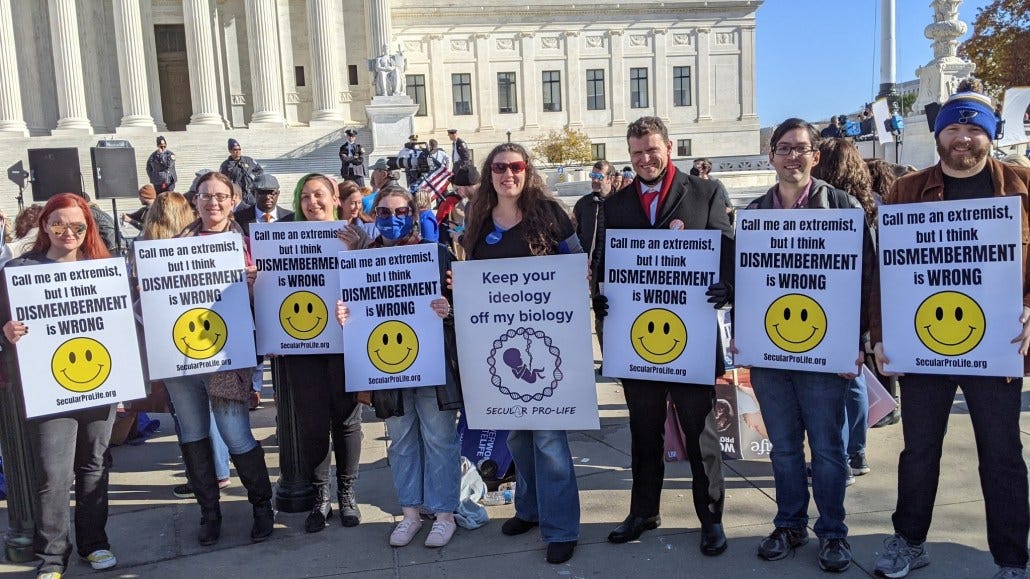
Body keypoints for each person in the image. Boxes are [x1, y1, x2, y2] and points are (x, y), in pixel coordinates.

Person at [871, 90, 1030, 579]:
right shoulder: (907, 189)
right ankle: (910, 540)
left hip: (997, 344)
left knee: (1001, 453)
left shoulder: (1022, 186)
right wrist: (880, 334)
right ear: (939, 135)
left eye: (975, 129)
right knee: (919, 450)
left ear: (991, 134)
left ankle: (1011, 558)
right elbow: (885, 270)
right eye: (954, 129)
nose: (964, 139)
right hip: (924, 346)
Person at [738, 121, 875, 573]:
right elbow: (748, 282)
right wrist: (741, 332)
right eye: (784, 149)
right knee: (783, 449)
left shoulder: (842, 207)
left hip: (825, 356)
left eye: (801, 149)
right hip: (770, 354)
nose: (792, 157)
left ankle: (834, 533)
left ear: (815, 156)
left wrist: (857, 343)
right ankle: (790, 524)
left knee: (829, 449)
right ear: (771, 156)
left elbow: (865, 280)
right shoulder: (755, 213)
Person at [594, 116, 733, 557]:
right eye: (636, 153)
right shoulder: (615, 205)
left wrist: (727, 286)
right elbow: (604, 264)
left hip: (690, 339)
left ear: (669, 148)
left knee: (700, 433)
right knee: (644, 431)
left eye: (652, 149)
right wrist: (602, 296)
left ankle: (711, 519)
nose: (645, 158)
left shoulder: (706, 192)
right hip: (637, 341)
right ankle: (643, 512)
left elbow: (727, 248)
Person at [460, 143, 583, 564]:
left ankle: (562, 527)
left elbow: (576, 262)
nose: (507, 174)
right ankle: (529, 510)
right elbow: (473, 278)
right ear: (489, 173)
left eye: (515, 166)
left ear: (526, 171)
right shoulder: (477, 220)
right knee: (517, 437)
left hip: (547, 347)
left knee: (548, 439)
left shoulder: (548, 214)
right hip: (500, 348)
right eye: (499, 167)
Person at [337, 185, 463, 549]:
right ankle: (410, 512)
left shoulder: (436, 254)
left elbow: (463, 304)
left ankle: (443, 514)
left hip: (432, 364)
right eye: (385, 213)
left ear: (413, 214)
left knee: (439, 439)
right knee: (402, 441)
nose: (394, 219)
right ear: (375, 217)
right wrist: (346, 314)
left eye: (401, 212)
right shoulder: (364, 258)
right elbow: (357, 311)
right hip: (387, 368)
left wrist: (448, 309)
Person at [1, 193, 119, 578]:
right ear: (45, 225)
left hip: (100, 384)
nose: (68, 232)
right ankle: (53, 556)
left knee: (94, 464)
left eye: (77, 226)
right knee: (54, 473)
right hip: (49, 388)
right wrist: (7, 331)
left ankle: (94, 544)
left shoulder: (102, 268)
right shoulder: (20, 270)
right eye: (58, 224)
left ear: (88, 230)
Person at [163, 172, 273, 547]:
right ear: (194, 200)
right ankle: (209, 512)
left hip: (227, 356)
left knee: (235, 433)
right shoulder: (173, 246)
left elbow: (264, 303)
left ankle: (262, 507)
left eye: (221, 197)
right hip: (183, 357)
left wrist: (255, 284)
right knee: (193, 435)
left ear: (233, 201)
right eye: (206, 196)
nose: (213, 203)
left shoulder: (244, 244)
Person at [272, 173, 364, 532]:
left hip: (344, 343)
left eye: (320, 195)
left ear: (335, 199)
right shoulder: (282, 238)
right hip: (301, 345)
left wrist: (356, 252)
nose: (313, 202)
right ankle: (321, 496)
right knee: (311, 424)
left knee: (346, 421)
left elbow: (378, 287)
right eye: (306, 197)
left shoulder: (356, 237)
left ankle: (347, 494)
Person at [136, 192, 233, 497]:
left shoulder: (146, 249)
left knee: (188, 417)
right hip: (208, 338)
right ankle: (219, 469)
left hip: (170, 342)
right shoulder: (200, 243)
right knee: (212, 406)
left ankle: (204, 476)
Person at [573, 160, 614, 347]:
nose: (595, 181)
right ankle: (607, 357)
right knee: (597, 313)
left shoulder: (621, 203)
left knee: (613, 313)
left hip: (612, 269)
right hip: (589, 269)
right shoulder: (583, 204)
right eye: (593, 176)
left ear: (610, 178)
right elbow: (577, 233)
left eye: (599, 177)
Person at [219, 138, 263, 206]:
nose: (238, 151)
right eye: (235, 150)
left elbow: (260, 170)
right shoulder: (225, 165)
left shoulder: (248, 160)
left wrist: (253, 176)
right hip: (238, 196)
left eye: (239, 149)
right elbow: (222, 180)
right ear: (230, 151)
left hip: (251, 194)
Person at [693, 158, 735, 225]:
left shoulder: (716, 184)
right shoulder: (691, 185)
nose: (694, 169)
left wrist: (713, 214)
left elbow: (729, 207)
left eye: (698, 166)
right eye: (694, 166)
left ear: (705, 168)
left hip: (714, 223)